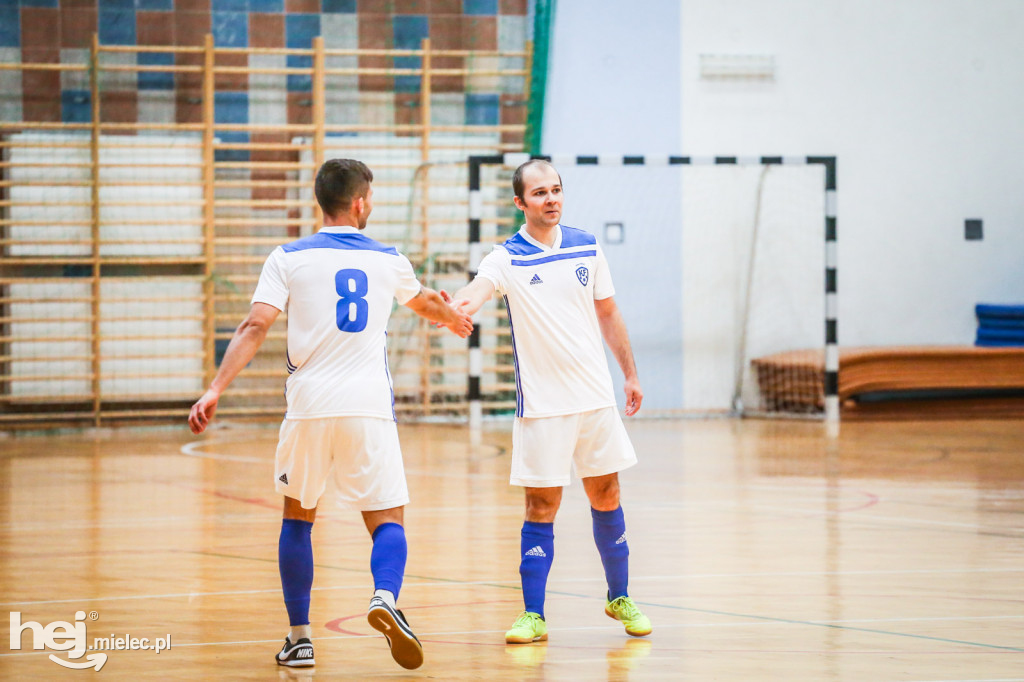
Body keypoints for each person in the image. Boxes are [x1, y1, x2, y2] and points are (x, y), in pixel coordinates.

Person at [188, 158, 473, 670]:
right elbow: (424, 301)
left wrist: (214, 389)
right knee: (387, 519)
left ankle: (300, 638)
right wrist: (451, 316)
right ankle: (385, 597)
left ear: (321, 200)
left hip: (309, 408)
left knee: (298, 518)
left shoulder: (288, 257)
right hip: (367, 409)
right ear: (361, 201)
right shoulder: (388, 259)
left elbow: (255, 326)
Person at [451, 159, 652, 644]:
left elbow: (608, 313)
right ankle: (533, 614)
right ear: (521, 202)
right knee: (542, 505)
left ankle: (619, 595)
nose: (551, 199)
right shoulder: (507, 257)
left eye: (556, 190)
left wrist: (629, 373)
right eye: (539, 193)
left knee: (607, 496)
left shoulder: (586, 246)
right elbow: (478, 290)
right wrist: (455, 307)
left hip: (594, 401)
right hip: (542, 407)